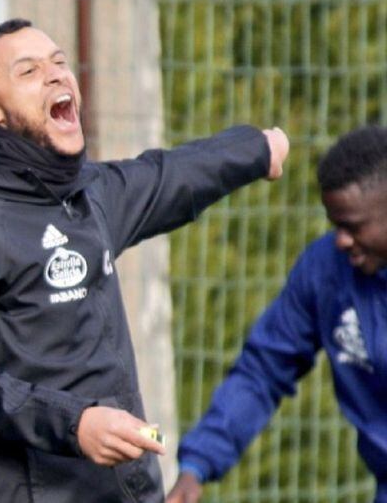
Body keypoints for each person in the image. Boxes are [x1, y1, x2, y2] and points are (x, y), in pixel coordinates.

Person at [0, 18, 290, 502]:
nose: (56, 75)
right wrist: (74, 425)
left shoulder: (86, 195)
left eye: (59, 62)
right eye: (29, 71)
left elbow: (169, 176)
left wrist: (256, 148)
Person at [166, 125, 387, 503]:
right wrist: (197, 464)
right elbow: (263, 370)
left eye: (352, 227)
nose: (341, 240)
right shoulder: (326, 271)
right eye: (335, 225)